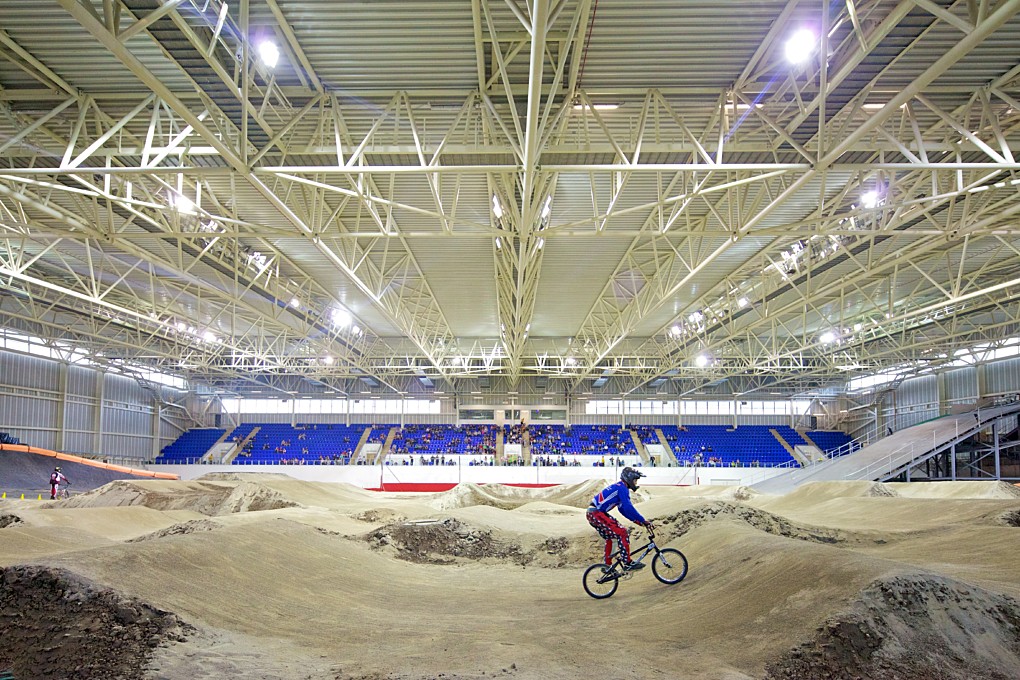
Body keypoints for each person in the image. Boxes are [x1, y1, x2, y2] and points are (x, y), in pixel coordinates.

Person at [586, 467, 653, 571]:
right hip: (596, 513)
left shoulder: (620, 487)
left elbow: (623, 510)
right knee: (622, 532)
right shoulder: (622, 488)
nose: (636, 483)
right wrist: (643, 520)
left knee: (612, 538)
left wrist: (637, 521)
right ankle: (627, 563)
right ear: (629, 479)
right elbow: (628, 507)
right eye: (635, 480)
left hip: (596, 513)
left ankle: (607, 567)